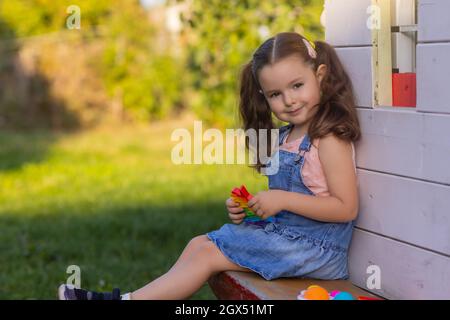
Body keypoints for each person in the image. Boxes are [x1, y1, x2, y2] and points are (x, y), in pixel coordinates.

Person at [58, 31, 361, 300]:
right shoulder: (285, 136)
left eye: (297, 85)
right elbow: (294, 203)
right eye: (275, 94)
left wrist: (281, 199)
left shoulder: (328, 138)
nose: (289, 100)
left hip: (317, 252)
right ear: (264, 96)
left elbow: (346, 207)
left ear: (319, 76)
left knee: (207, 252)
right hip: (294, 241)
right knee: (199, 244)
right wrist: (251, 205)